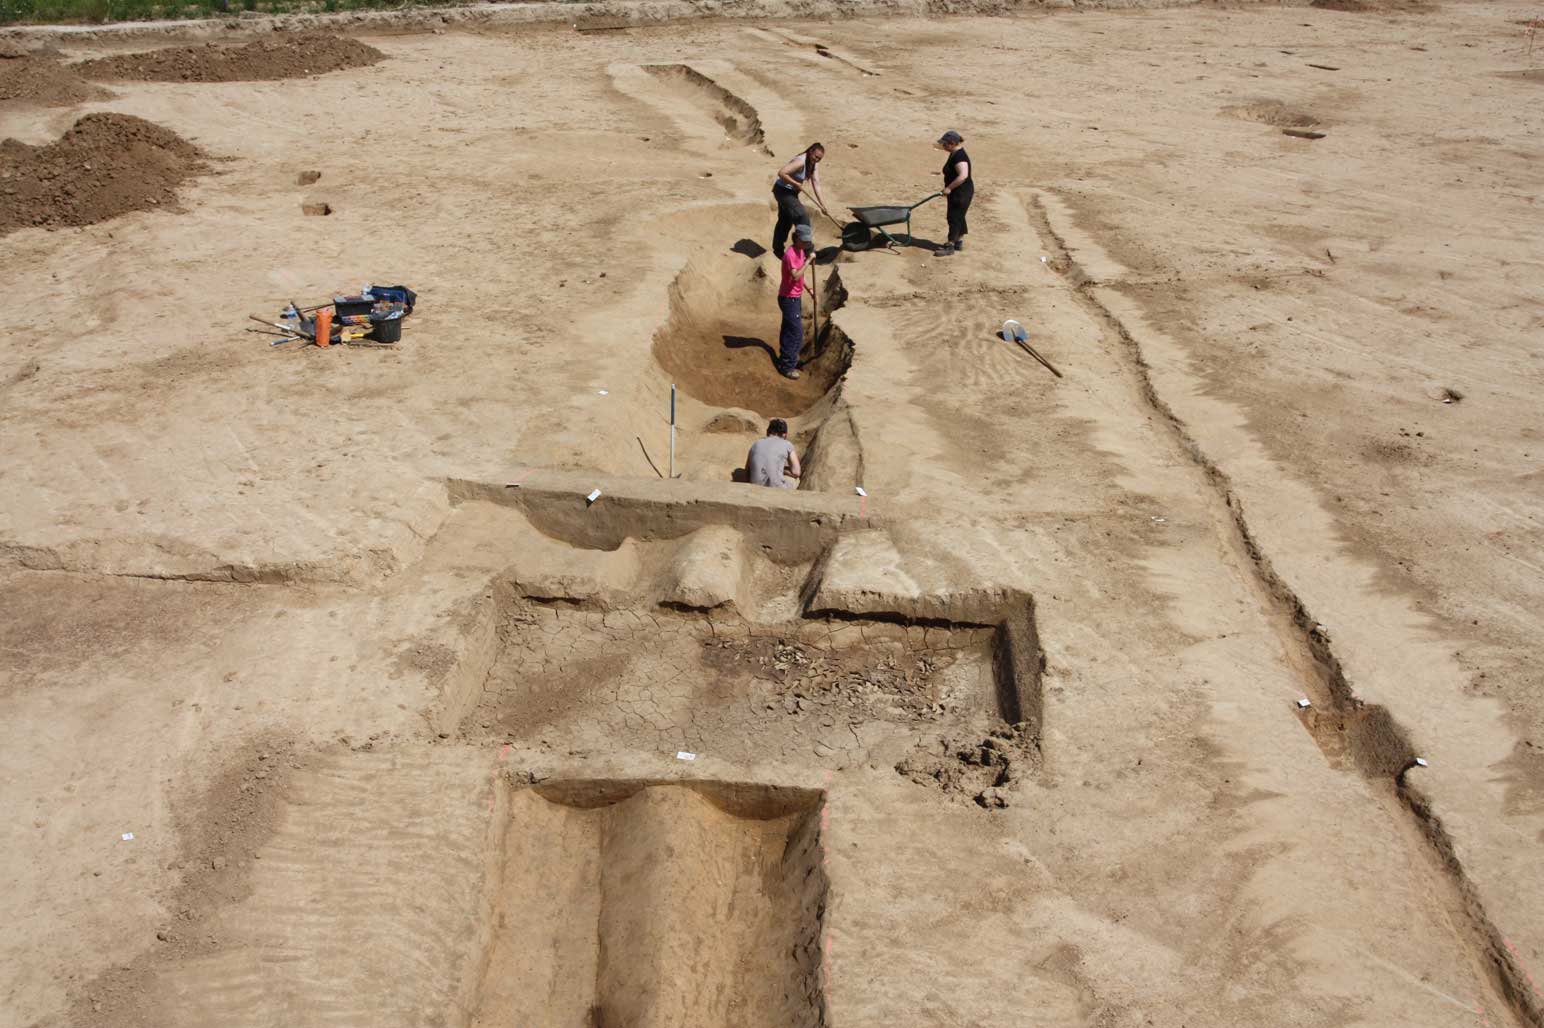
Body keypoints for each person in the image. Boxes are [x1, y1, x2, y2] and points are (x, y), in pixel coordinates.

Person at [771, 142, 830, 260]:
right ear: (810, 152)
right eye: (816, 156)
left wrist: (822, 205)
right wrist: (795, 183)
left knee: (785, 221)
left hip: (791, 193)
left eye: (819, 158)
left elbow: (816, 183)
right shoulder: (800, 162)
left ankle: (778, 251)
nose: (817, 159)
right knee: (802, 217)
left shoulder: (813, 163)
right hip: (783, 192)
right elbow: (782, 172)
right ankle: (809, 252)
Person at [777, 223, 815, 380]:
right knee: (796, 333)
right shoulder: (791, 254)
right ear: (796, 238)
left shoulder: (800, 251)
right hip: (788, 298)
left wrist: (809, 290)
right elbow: (795, 276)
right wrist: (808, 261)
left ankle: (785, 359)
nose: (807, 244)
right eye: (804, 241)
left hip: (795, 297)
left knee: (788, 329)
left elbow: (801, 278)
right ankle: (788, 367)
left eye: (808, 242)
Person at [933, 130, 973, 257]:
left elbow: (963, 176)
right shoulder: (955, 152)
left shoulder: (959, 157)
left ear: (952, 143)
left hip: (961, 192)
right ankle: (958, 241)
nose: (943, 146)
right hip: (959, 191)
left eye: (945, 144)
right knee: (959, 215)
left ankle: (950, 245)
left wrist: (949, 188)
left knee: (954, 217)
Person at [746, 418, 801, 489]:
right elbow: (796, 472)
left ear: (767, 431)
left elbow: (747, 472)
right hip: (777, 488)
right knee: (795, 480)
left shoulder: (755, 444)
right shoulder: (787, 444)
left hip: (755, 486)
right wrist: (784, 471)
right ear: (785, 435)